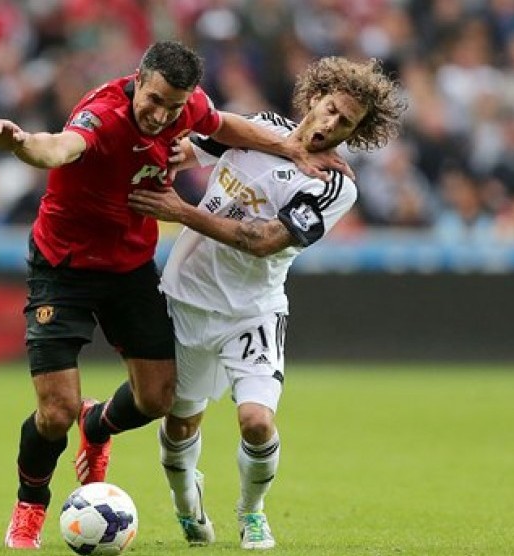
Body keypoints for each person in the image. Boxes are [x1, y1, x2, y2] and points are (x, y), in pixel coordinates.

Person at [0, 40, 349, 550]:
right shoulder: (102, 116)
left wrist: (290, 147)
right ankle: (29, 506)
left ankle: (98, 424)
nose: (161, 115)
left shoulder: (184, 107)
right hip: (63, 268)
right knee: (54, 412)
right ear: (139, 79)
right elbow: (59, 147)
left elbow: (221, 123)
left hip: (130, 268)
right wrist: (20, 143)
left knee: (157, 398)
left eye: (174, 107)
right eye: (154, 100)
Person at [128, 56, 405, 550]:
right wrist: (177, 157)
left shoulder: (334, 186)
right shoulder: (257, 127)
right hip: (187, 297)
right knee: (180, 419)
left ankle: (252, 512)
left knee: (256, 421)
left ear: (358, 132)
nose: (332, 124)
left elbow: (262, 241)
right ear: (314, 97)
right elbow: (193, 147)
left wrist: (182, 212)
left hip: (252, 311)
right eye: (331, 109)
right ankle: (186, 504)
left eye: (347, 123)